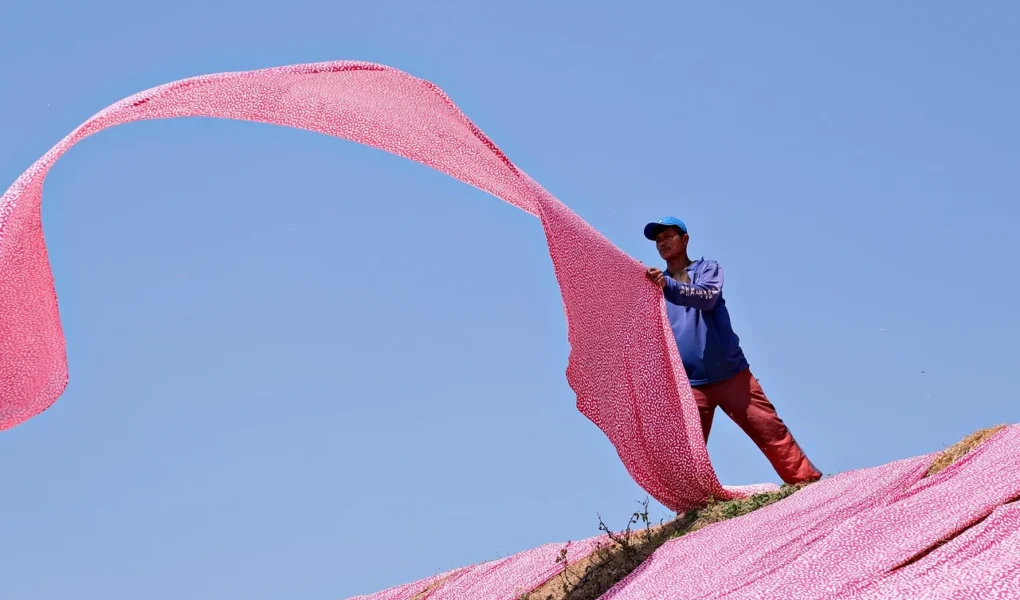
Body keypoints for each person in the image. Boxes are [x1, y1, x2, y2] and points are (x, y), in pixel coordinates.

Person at [643, 216, 821, 485]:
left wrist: (669, 286)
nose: (662, 243)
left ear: (685, 239)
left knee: (771, 430)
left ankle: (806, 483)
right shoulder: (655, 286)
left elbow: (707, 297)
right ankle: (692, 503)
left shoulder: (707, 269)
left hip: (732, 374)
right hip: (689, 383)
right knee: (686, 452)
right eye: (658, 240)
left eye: (668, 236)